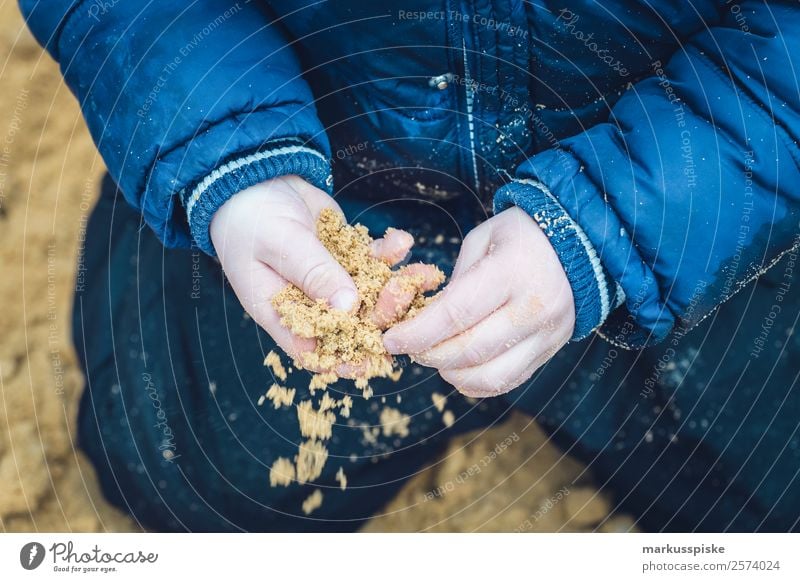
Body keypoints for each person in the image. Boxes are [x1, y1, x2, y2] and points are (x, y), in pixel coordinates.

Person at [19, 0, 800, 531]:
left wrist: (610, 227)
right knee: (180, 468)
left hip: (688, 189)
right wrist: (228, 159)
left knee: (760, 508)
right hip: (319, 160)